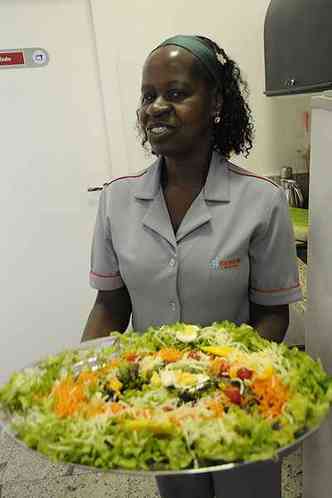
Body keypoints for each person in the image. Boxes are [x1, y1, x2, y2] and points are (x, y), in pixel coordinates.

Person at [82, 35, 302, 498]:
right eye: (149, 96)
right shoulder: (116, 200)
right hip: (160, 407)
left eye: (176, 93)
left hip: (240, 404)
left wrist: (218, 382)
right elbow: (110, 303)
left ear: (216, 103)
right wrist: (89, 374)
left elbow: (272, 313)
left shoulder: (260, 201)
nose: (157, 107)